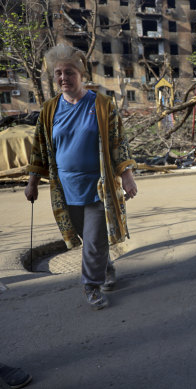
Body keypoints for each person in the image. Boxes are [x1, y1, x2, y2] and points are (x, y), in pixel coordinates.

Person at [24, 44, 137, 310]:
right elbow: (39, 149)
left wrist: (128, 177)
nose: (63, 77)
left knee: (96, 236)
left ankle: (91, 286)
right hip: (65, 188)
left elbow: (118, 144)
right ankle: (105, 266)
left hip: (98, 186)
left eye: (69, 72)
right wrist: (32, 183)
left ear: (81, 73)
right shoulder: (49, 110)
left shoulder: (102, 105)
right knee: (87, 236)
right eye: (58, 73)